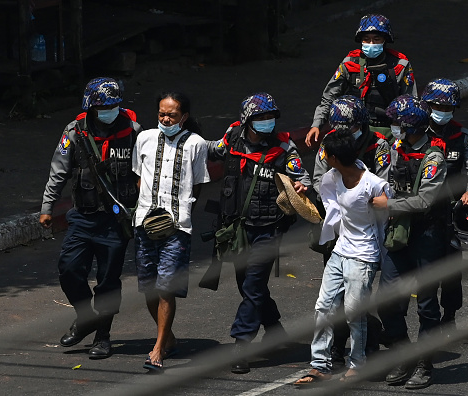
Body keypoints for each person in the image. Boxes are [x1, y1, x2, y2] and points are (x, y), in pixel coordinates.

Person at [206, 92, 311, 374]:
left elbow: (302, 177)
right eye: (260, 118)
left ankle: (242, 344)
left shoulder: (283, 147)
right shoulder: (232, 138)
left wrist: (301, 186)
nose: (267, 122)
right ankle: (275, 330)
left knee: (253, 285)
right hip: (237, 228)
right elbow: (209, 150)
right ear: (247, 120)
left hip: (268, 229)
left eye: (270, 117)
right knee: (247, 285)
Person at [40, 77, 143, 359]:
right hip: (83, 218)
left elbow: (143, 173)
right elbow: (58, 171)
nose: (109, 111)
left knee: (109, 282)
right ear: (90, 107)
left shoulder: (133, 131)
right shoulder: (74, 132)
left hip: (116, 221)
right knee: (69, 269)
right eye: (102, 107)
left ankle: (103, 336)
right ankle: (87, 317)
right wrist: (47, 207)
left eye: (113, 106)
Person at [294, 130, 392, 386]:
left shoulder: (372, 184)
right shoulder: (332, 177)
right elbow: (328, 204)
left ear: (335, 157)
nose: (323, 156)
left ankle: (358, 365)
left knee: (353, 313)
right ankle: (320, 365)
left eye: (326, 153)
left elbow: (388, 210)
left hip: (363, 256)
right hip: (340, 251)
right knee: (323, 307)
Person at [371, 95, 449, 389]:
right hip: (397, 233)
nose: (392, 129)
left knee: (427, 305)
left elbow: (426, 200)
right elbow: (380, 180)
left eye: (396, 124)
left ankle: (424, 364)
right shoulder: (391, 149)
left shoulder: (433, 157)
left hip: (427, 235)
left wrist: (388, 206)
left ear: (411, 127)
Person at [310, 95, 390, 368]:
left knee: (355, 303)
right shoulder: (329, 145)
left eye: (349, 128)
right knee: (329, 302)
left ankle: (365, 349)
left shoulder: (379, 146)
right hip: (338, 236)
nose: (343, 134)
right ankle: (331, 353)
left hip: (367, 240)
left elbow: (384, 190)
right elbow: (321, 179)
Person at [133, 91, 211, 372]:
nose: (166, 119)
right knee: (149, 288)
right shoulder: (144, 138)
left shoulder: (196, 144)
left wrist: (183, 210)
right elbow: (139, 177)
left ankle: (158, 349)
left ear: (184, 117)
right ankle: (170, 338)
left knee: (167, 288)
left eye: (172, 115)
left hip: (177, 227)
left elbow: (199, 182)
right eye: (162, 114)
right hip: (144, 223)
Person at [421, 78, 468, 326]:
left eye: (448, 108)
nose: (442, 112)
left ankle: (449, 316)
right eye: (438, 106)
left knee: (450, 271)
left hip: (451, 213)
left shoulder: (462, 135)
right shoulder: (417, 133)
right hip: (422, 211)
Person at [305, 13, 416, 147]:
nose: (371, 44)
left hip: (389, 131)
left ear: (385, 40)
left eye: (376, 39)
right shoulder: (350, 63)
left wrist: (404, 133)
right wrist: (317, 124)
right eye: (366, 39)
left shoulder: (400, 65)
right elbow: (329, 97)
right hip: (353, 129)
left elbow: (411, 103)